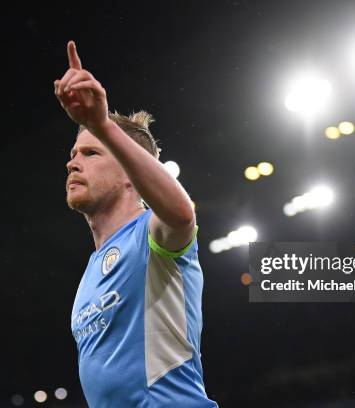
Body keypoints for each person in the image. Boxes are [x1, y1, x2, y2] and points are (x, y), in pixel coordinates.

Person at [54, 40, 218, 407]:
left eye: (91, 153)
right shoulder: (88, 276)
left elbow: (181, 214)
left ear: (131, 172)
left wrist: (101, 124)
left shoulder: (153, 235)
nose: (73, 163)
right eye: (73, 154)